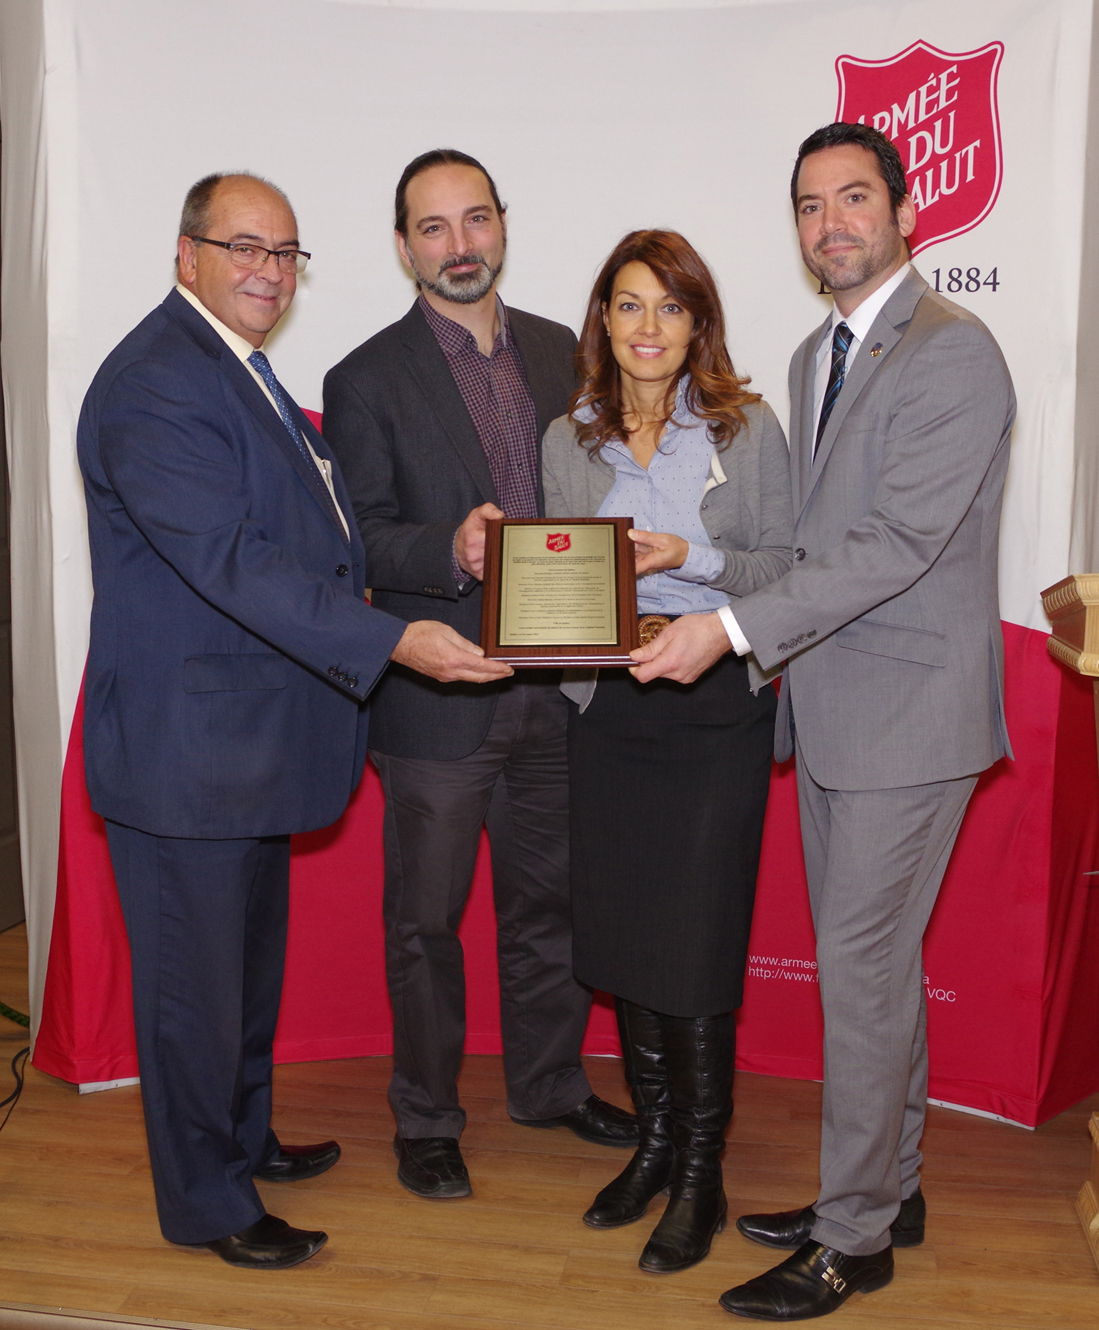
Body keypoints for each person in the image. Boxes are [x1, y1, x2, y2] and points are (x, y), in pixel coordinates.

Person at [77, 172, 509, 1270]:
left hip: (246, 747)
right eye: (244, 248)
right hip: (189, 753)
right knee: (193, 991)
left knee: (239, 977)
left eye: (285, 252)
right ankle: (208, 1202)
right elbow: (231, 562)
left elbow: (310, 536)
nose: (268, 271)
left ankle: (244, 1136)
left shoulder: (239, 370)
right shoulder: (157, 385)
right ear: (188, 256)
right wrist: (393, 639)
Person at [629, 125, 1016, 1319]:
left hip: (909, 713)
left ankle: (853, 1238)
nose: (829, 222)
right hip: (836, 707)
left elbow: (897, 544)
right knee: (876, 973)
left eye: (853, 198)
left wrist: (730, 631)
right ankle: (883, 1190)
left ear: (906, 212)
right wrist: (702, 571)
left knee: (857, 976)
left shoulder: (952, 355)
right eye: (808, 204)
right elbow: (806, 546)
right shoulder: (813, 353)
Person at [322, 148, 637, 1201]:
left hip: (557, 688)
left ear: (503, 224)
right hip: (436, 695)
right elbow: (360, 539)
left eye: (475, 221)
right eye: (433, 227)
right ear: (404, 243)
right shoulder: (362, 378)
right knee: (424, 922)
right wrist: (444, 549)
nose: (459, 246)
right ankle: (425, 1116)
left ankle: (547, 1084)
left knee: (548, 907)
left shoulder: (565, 353)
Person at [542, 230, 793, 1274]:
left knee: (688, 950)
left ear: (699, 323)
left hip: (715, 710)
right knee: (624, 940)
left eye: (670, 308)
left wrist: (691, 555)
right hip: (610, 712)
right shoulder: (570, 438)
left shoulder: (748, 426)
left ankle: (701, 1171)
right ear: (603, 318)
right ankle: (651, 1145)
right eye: (629, 306)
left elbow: (789, 565)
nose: (649, 328)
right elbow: (556, 582)